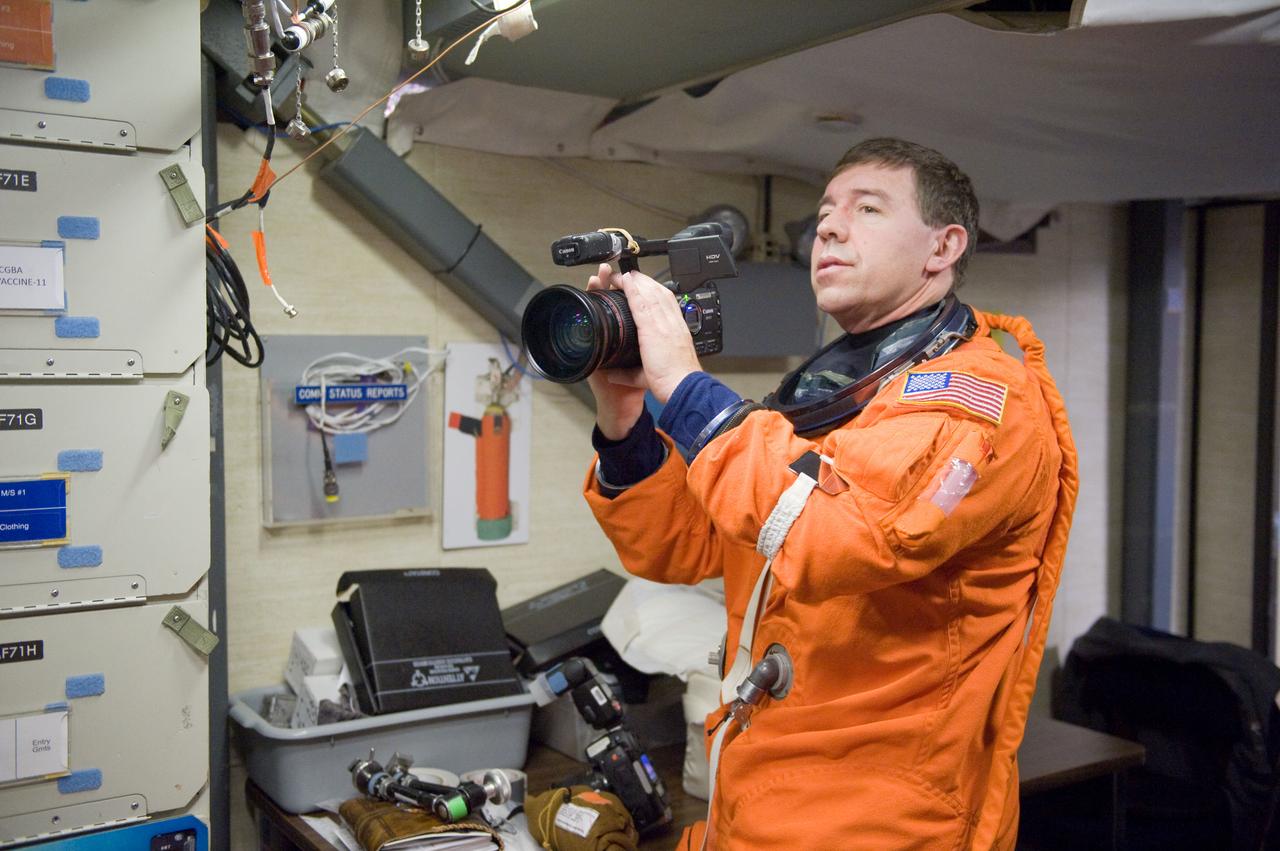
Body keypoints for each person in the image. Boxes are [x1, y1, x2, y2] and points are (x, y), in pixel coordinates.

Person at [581, 138, 1078, 850]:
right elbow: (683, 545)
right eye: (824, 214)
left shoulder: (977, 401)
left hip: (879, 822)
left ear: (943, 247)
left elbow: (843, 536)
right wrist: (625, 417)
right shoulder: (840, 396)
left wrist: (688, 389)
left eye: (867, 209)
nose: (830, 230)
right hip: (758, 798)